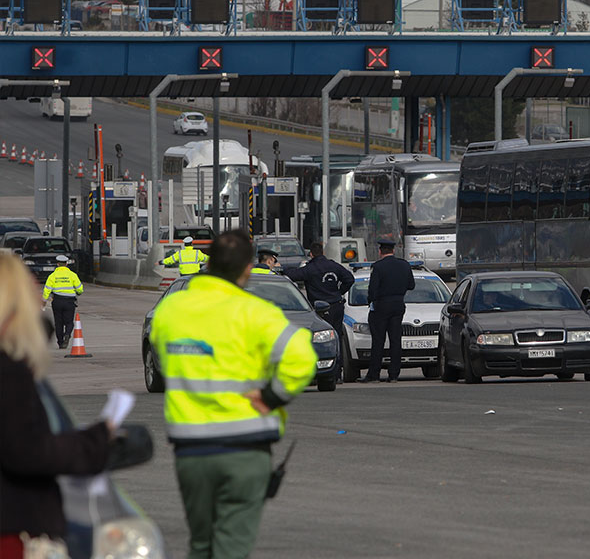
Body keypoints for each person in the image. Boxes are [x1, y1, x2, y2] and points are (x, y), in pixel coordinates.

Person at [149, 230, 317, 559]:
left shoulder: (171, 310)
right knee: (231, 547)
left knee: (201, 545)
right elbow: (302, 357)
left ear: (208, 263)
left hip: (191, 449)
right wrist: (271, 397)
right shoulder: (255, 312)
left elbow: (163, 356)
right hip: (246, 447)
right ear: (246, 270)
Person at [0, 254, 113, 558]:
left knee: (61, 326)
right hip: (12, 528)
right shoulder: (9, 373)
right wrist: (95, 442)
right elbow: (26, 451)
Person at [359, 240, 415, 383]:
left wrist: (371, 301)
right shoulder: (404, 265)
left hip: (381, 306)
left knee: (378, 341)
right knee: (396, 340)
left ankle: (374, 374)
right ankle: (394, 374)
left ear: (380, 251)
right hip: (398, 305)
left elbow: (373, 289)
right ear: (393, 251)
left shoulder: (378, 267)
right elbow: (411, 285)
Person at [284, 242, 355, 339]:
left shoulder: (310, 269)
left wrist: (284, 268)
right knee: (337, 336)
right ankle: (338, 353)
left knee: (322, 336)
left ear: (311, 254)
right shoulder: (334, 265)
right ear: (323, 253)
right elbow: (350, 279)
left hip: (320, 309)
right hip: (337, 306)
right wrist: (339, 292)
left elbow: (293, 275)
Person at [41, 254, 83, 349]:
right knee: (69, 322)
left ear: (58, 264)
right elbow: (80, 289)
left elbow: (47, 289)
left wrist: (44, 301)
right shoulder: (72, 275)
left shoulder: (52, 276)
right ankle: (67, 334)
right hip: (69, 302)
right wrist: (77, 292)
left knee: (58, 322)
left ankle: (60, 342)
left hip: (57, 301)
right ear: (66, 264)